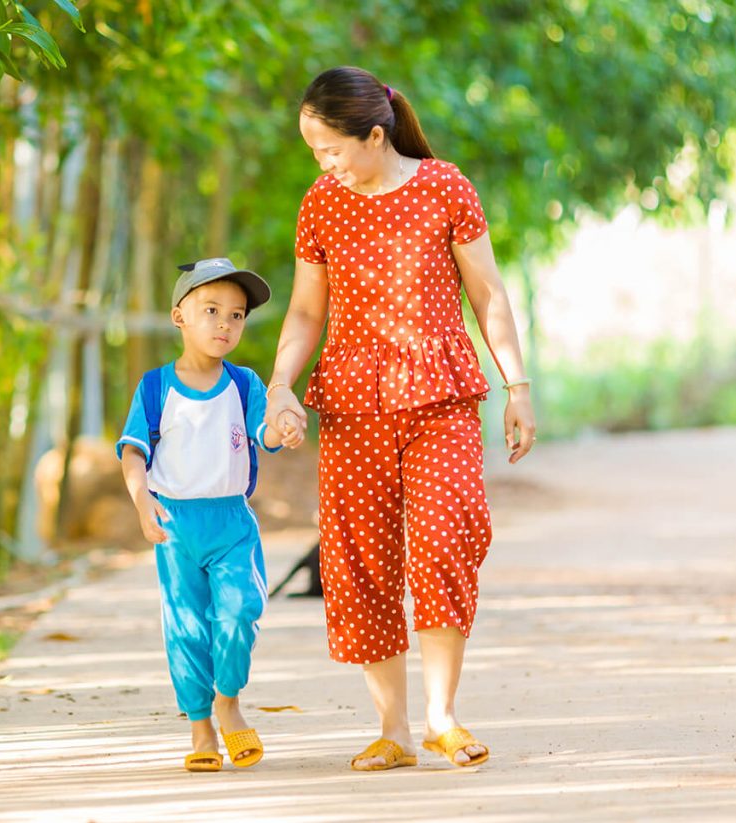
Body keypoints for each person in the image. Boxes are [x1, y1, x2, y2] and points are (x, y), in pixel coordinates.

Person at [264, 66, 537, 771]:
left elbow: (489, 293)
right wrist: (281, 385)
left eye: (329, 149)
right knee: (360, 563)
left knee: (445, 541)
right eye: (314, 152)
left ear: (375, 136)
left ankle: (444, 715)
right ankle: (393, 728)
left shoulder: (446, 186)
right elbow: (304, 311)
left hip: (440, 396)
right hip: (354, 405)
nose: (322, 163)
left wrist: (517, 384)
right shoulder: (321, 202)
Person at [117, 257, 302, 772]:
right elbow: (133, 451)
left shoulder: (243, 384)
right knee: (187, 629)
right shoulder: (156, 388)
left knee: (240, 609)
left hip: (230, 524)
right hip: (175, 526)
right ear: (180, 316)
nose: (225, 324)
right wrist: (141, 500)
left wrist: (282, 427)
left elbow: (264, 432)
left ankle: (229, 702)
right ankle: (201, 727)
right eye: (212, 310)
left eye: (237, 316)